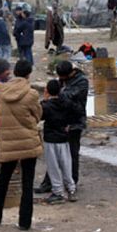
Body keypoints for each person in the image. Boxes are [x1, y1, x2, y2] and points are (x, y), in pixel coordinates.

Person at [0, 60, 42, 231]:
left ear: (14, 72)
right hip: (28, 142)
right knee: (27, 183)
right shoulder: (31, 94)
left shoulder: (0, 92)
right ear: (28, 74)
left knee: (3, 180)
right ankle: (24, 223)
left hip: (8, 142)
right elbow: (38, 115)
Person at [36, 61, 88, 194]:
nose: (61, 80)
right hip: (61, 121)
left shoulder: (81, 82)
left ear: (71, 73)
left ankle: (72, 183)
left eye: (62, 77)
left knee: (72, 154)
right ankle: (49, 183)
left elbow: (67, 97)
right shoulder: (63, 80)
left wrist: (53, 94)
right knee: (53, 157)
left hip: (75, 121)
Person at [40, 79, 77, 204]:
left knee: (53, 166)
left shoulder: (47, 106)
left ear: (48, 91)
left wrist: (44, 100)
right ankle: (71, 189)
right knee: (66, 164)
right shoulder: (66, 103)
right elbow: (75, 112)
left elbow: (39, 116)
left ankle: (58, 192)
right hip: (64, 139)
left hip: (51, 139)